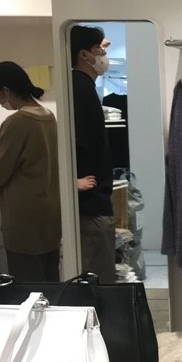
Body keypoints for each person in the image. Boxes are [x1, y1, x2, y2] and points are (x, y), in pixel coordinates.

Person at [0, 61, 61, 281]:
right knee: (49, 283)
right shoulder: (46, 115)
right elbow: (27, 143)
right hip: (48, 217)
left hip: (24, 221)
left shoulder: (17, 121)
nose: (0, 101)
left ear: (7, 90)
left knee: (28, 287)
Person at [70, 24, 116, 282]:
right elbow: (74, 144)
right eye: (99, 49)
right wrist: (71, 183)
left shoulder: (82, 85)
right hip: (90, 206)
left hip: (94, 204)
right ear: (84, 55)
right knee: (96, 282)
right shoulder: (79, 89)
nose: (103, 54)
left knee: (99, 277)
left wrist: (99, 42)